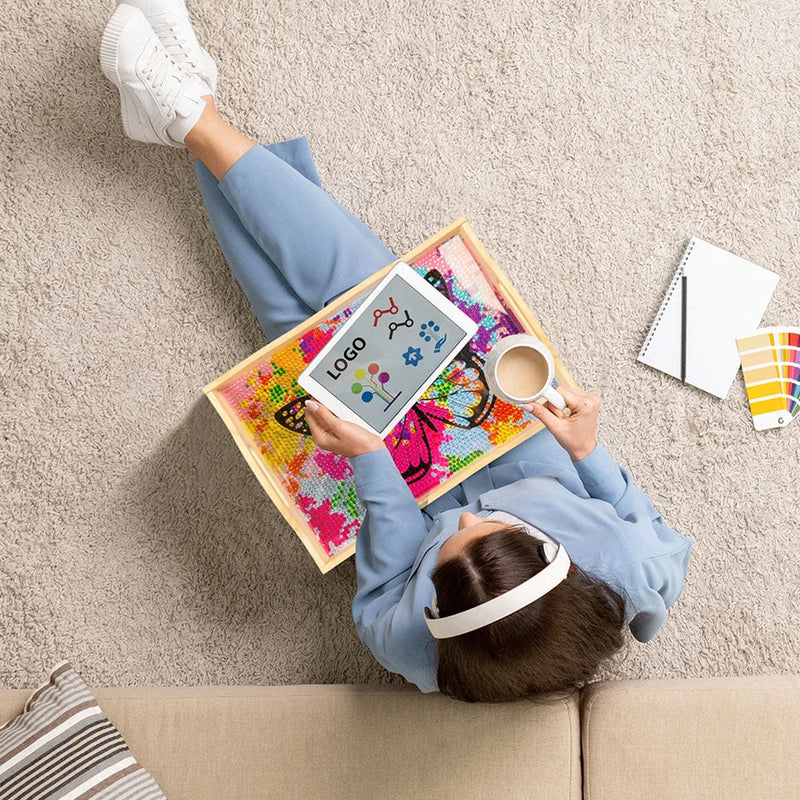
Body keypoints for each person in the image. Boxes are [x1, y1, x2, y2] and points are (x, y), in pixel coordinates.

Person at [99, 0, 693, 703]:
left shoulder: (407, 643)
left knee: (296, 337)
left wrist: (371, 460)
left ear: (435, 610)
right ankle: (192, 117)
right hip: (512, 438)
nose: (466, 520)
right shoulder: (633, 566)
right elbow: (644, 521)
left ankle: (194, 111)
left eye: (452, 548)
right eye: (495, 531)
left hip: (391, 490)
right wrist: (588, 450)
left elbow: (383, 575)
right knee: (364, 286)